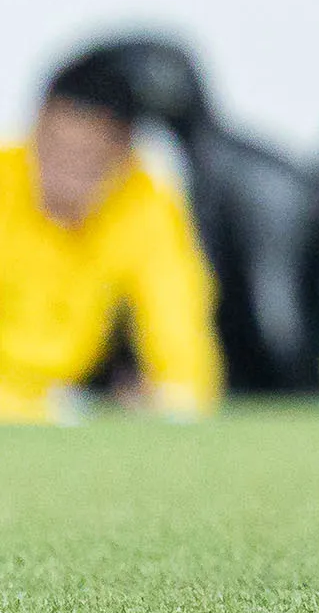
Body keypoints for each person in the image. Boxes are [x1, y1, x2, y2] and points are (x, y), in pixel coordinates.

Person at [0, 51, 220, 424]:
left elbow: (178, 320)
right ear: (36, 129)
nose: (64, 174)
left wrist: (174, 392)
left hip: (66, 401)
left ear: (123, 154)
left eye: (87, 158)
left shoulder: (144, 201)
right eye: (54, 151)